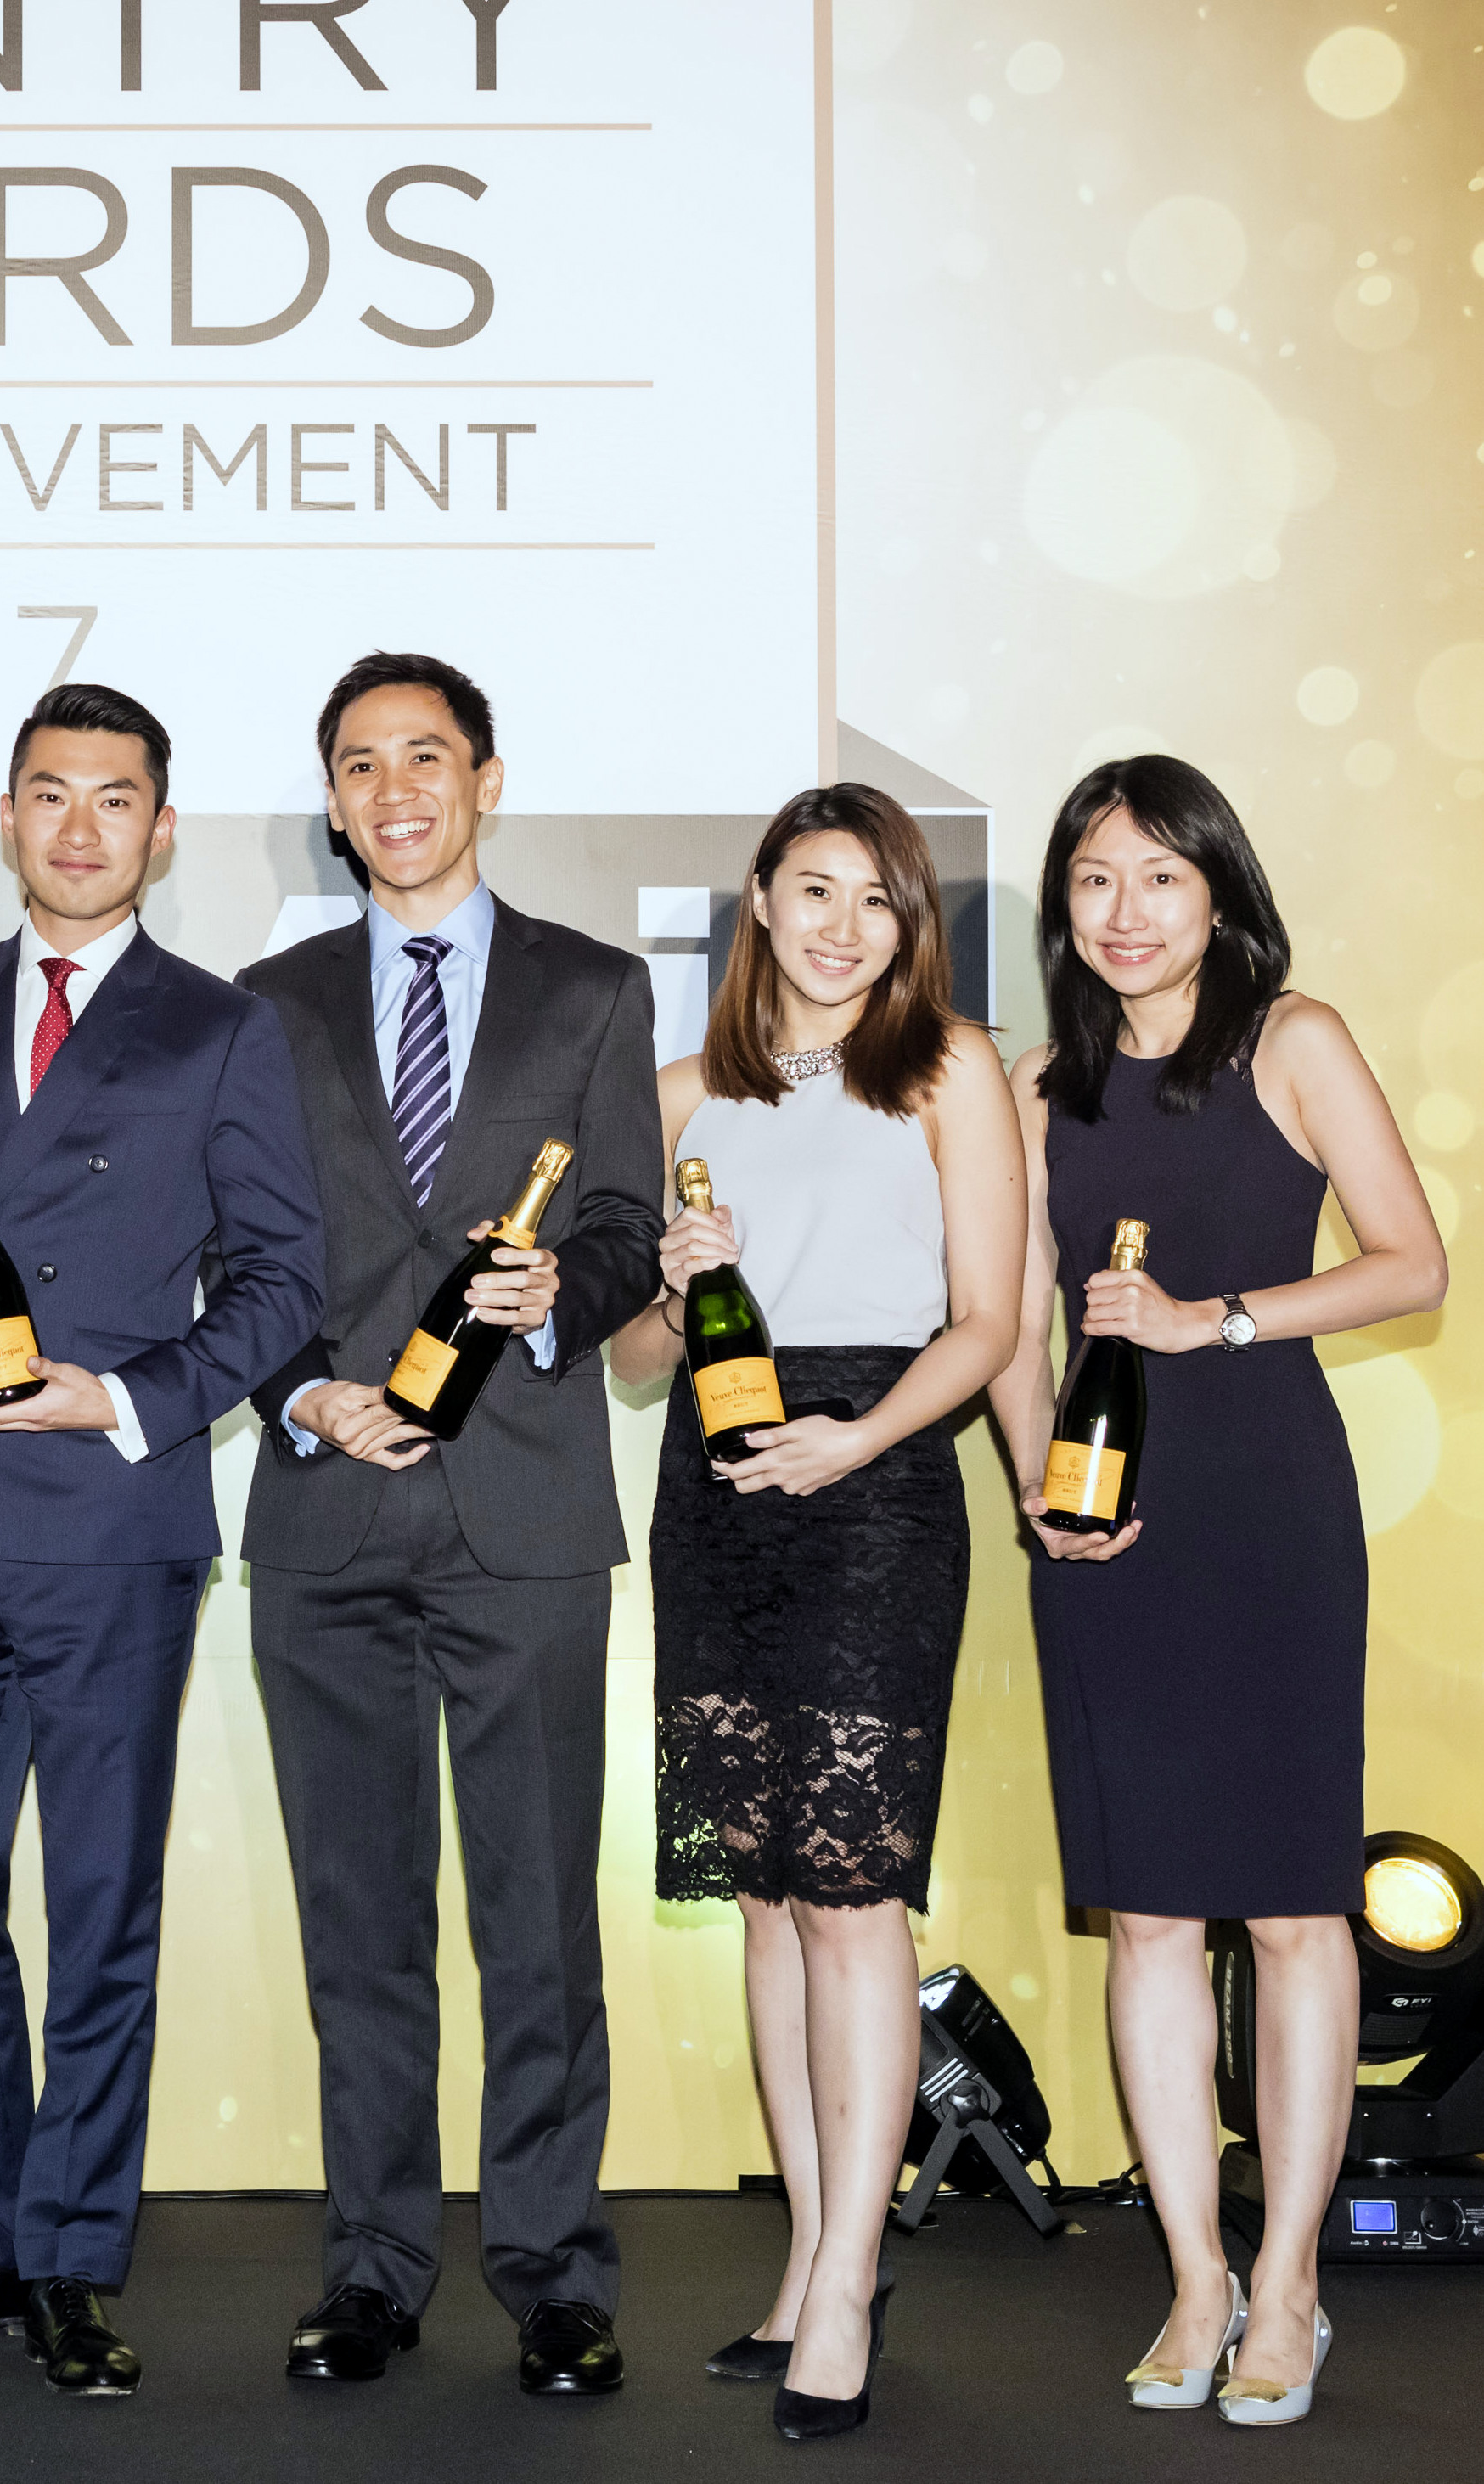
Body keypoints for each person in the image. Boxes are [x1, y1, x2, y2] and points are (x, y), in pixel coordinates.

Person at [0, 683, 323, 2398]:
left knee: (99, 1907)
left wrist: (122, 1397)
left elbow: (281, 1281)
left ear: (159, 830)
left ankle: (72, 2258)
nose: (80, 825)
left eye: (115, 797)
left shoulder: (220, 1025)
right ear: (7, 816)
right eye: (50, 792)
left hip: (112, 1517)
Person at [986, 756, 1442, 2432]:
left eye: (1157, 877)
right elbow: (1004, 1324)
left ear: (1216, 889)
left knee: (1292, 1910)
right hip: (1104, 1528)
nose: (1123, 912)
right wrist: (1039, 1488)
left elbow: (1410, 1262)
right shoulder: (1034, 1083)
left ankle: (1289, 2280)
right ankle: (1193, 2274)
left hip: (1266, 1512)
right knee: (1149, 1914)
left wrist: (1216, 1318)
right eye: (1092, 880)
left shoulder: (1291, 1040)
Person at [237, 650, 663, 2397]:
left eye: (425, 755)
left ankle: (553, 2270)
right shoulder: (262, 1001)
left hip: (526, 1513)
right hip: (326, 1513)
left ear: (485, 779)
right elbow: (236, 1257)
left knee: (537, 1918)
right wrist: (297, 1394)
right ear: (332, 802)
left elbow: (625, 1224)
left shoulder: (593, 987)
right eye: (359, 763)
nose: (393, 788)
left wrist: (562, 1293)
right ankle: (371, 2265)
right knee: (359, 1926)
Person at [603, 786, 1021, 2442]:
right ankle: (802, 2252)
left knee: (850, 1896)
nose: (844, 926)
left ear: (906, 922)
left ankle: (850, 2276)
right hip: (715, 1492)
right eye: (814, 890)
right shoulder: (677, 1093)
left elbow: (987, 1319)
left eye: (877, 898)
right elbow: (634, 1359)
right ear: (759, 903)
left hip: (877, 1480)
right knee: (765, 1898)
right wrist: (668, 1278)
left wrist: (854, 1436)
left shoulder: (948, 1068)